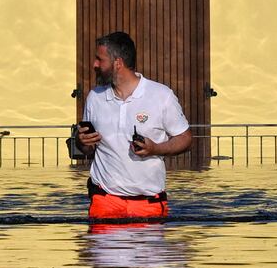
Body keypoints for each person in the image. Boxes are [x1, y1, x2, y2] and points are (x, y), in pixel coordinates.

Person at [76, 32, 192, 219]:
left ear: (118, 63)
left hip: (149, 204)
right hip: (104, 201)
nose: (94, 65)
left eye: (100, 59)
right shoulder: (95, 97)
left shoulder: (161, 95)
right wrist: (82, 142)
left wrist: (155, 148)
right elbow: (88, 150)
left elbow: (185, 138)